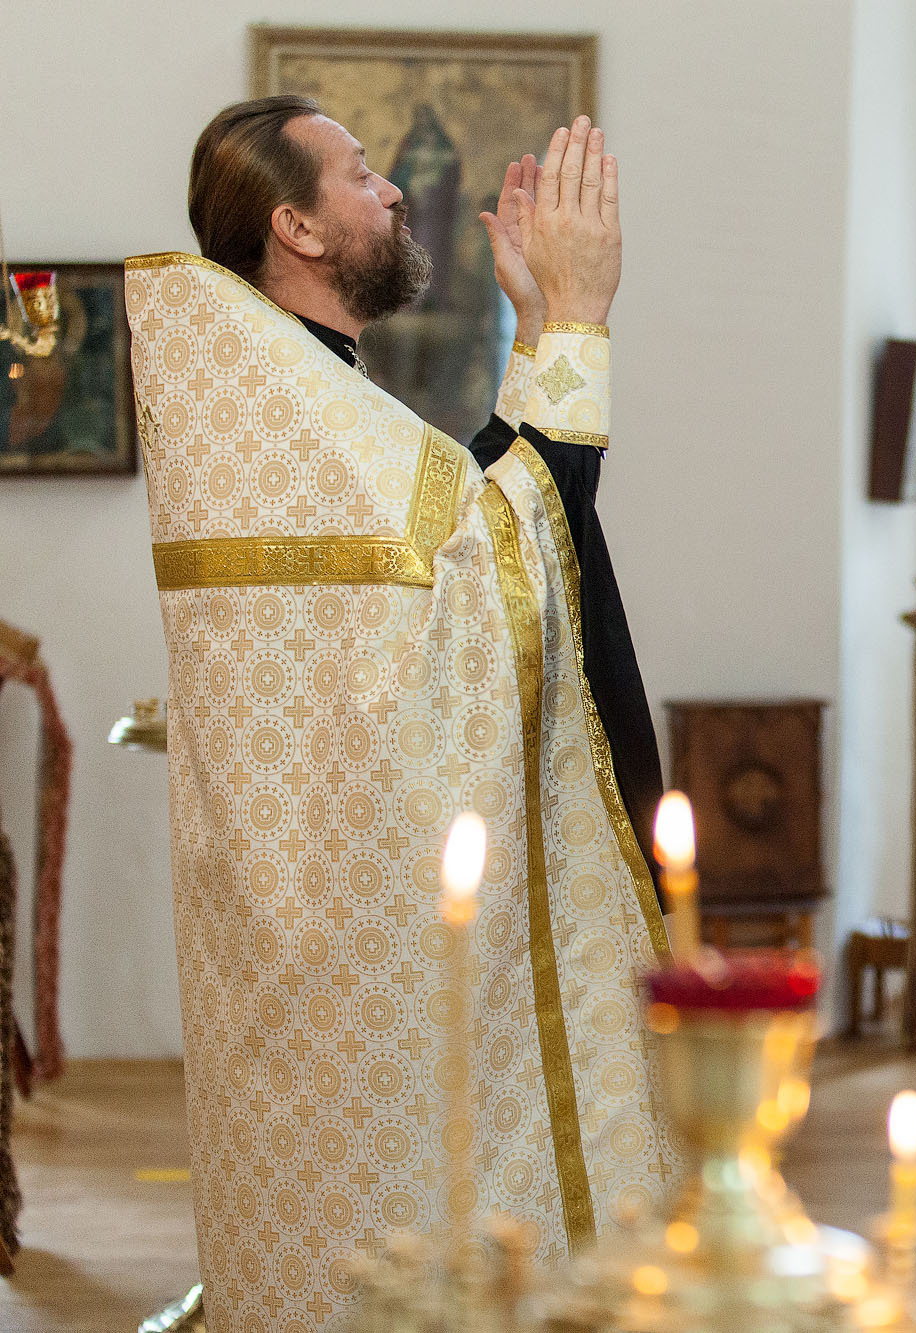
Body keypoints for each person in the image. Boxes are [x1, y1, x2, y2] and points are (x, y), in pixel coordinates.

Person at [127, 97, 676, 1329]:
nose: (390, 193)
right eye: (361, 174)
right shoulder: (277, 395)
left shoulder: (282, 386)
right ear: (296, 227)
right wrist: (580, 319)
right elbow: (500, 557)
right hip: (341, 931)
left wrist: (537, 328)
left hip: (324, 915)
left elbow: (470, 521)